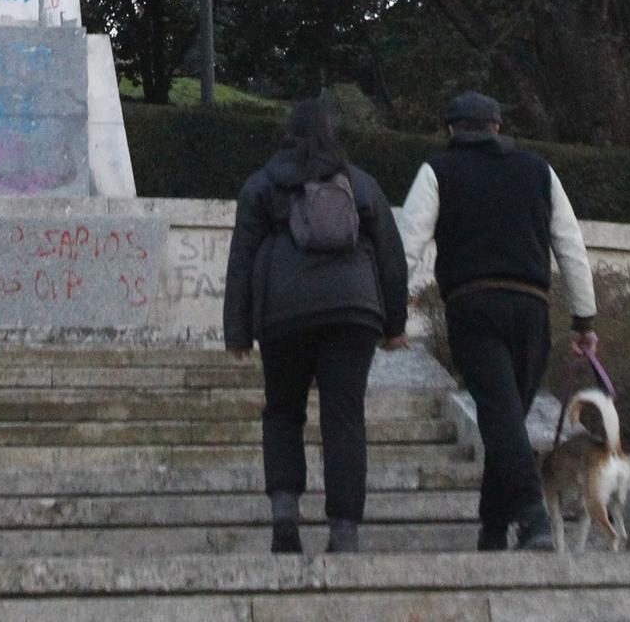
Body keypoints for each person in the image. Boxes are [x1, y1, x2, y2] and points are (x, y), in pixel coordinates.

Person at [399, 90, 599, 552]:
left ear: (450, 130)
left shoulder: (438, 171)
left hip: (472, 306)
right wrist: (583, 319)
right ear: (498, 127)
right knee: (506, 416)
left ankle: (531, 519)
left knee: (501, 417)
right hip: (531, 310)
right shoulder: (538, 170)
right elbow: (571, 245)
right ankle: (493, 528)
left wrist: (391, 314)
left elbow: (406, 246)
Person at [222, 97, 409, 555]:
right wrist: (394, 324)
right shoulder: (361, 184)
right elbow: (391, 257)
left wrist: (238, 331)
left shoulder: (263, 185)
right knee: (344, 418)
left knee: (283, 411)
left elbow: (242, 258)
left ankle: (285, 514)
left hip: (284, 316)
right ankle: (344, 531)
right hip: (353, 312)